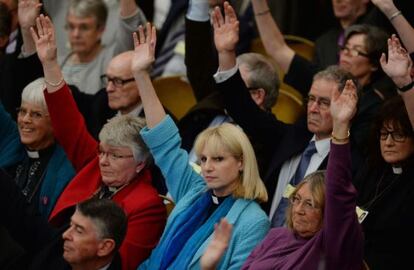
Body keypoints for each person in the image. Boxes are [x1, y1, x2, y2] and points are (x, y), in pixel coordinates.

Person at [30, 15, 166, 270]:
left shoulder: (147, 205)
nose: (103, 161)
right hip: (51, 249)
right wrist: (49, 63)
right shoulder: (95, 164)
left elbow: (119, 264)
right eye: (102, 153)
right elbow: (68, 124)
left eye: (114, 156)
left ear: (139, 163)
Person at [131, 23, 269, 269]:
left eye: (218, 159)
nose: (207, 167)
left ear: (240, 162)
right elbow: (165, 144)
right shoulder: (194, 190)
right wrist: (142, 75)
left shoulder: (254, 222)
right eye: (203, 159)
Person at [212, 2, 356, 227]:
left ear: (347, 107)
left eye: (324, 103)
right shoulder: (292, 138)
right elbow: (243, 109)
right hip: (256, 240)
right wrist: (226, 53)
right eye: (310, 99)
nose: (313, 108)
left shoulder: (349, 163)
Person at [201, 78, 364, 270]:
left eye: (310, 204)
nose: (298, 209)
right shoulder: (275, 237)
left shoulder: (331, 247)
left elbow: (339, 194)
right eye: (296, 199)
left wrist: (340, 126)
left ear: (329, 213)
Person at [182, 0, 279, 172]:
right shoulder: (215, 104)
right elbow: (197, 63)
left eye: (234, 84)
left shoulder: (266, 136)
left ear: (258, 95)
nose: (226, 87)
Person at [353, 35, 414, 269]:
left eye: (398, 134)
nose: (388, 142)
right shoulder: (372, 170)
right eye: (384, 134)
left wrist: (404, 85)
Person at [0, 169, 126, 270]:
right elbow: (25, 220)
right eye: (71, 225)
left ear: (105, 247)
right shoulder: (59, 249)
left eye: (79, 230)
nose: (66, 235)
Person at [0, 78, 75, 218]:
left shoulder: (66, 169)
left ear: (56, 121)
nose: (25, 120)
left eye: (36, 114)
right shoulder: (13, 140)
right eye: (22, 111)